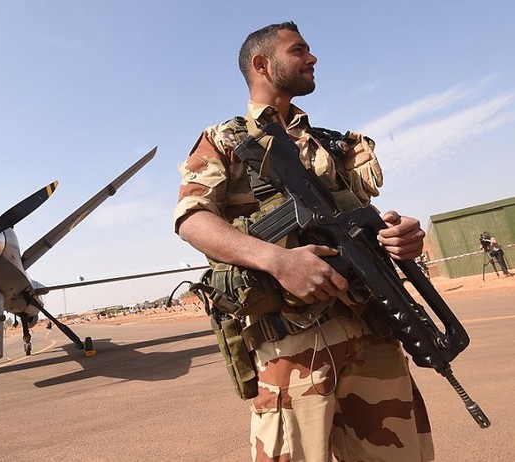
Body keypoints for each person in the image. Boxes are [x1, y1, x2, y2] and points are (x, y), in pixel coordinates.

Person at [174, 22, 433, 461]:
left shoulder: (331, 144)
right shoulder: (226, 140)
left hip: (372, 329)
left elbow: (360, 224)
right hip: (294, 346)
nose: (312, 59)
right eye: (299, 51)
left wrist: (398, 236)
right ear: (262, 64)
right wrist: (277, 261)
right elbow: (192, 219)